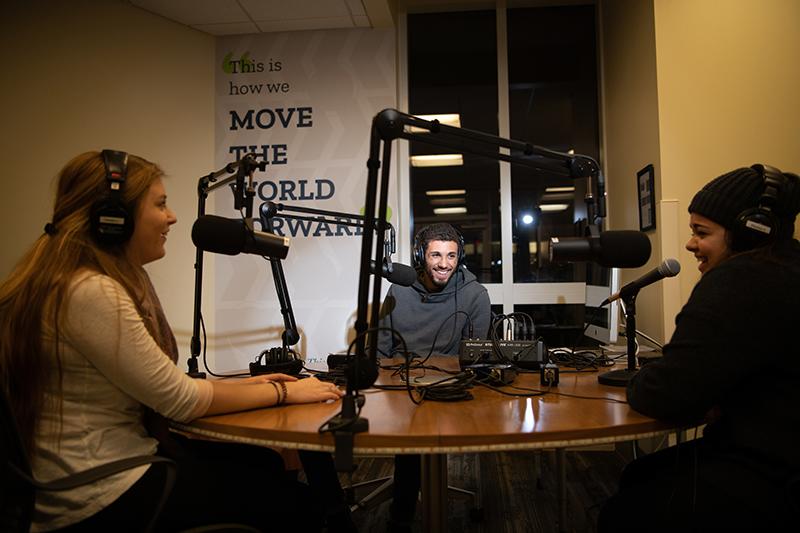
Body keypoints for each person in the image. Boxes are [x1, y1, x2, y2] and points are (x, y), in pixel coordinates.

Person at [0, 150, 352, 532]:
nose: (172, 217)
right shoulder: (90, 290)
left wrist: (261, 383)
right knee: (296, 506)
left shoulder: (72, 279)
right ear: (113, 219)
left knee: (262, 463)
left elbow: (156, 386)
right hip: (100, 493)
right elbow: (178, 401)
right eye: (161, 204)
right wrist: (285, 393)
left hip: (89, 477)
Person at [598, 164, 800, 531]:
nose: (690, 244)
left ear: (751, 233)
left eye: (701, 232)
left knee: (621, 512)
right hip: (780, 456)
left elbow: (663, 395)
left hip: (767, 472)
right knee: (640, 471)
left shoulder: (739, 280)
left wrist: (638, 381)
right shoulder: (788, 267)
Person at [376, 222, 491, 532]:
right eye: (436, 255)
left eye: (451, 256)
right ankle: (402, 516)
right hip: (401, 387)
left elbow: (476, 358)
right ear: (420, 256)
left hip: (450, 389)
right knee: (411, 429)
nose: (444, 264)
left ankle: (407, 513)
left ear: (460, 257)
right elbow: (381, 351)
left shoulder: (475, 295)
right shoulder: (399, 289)